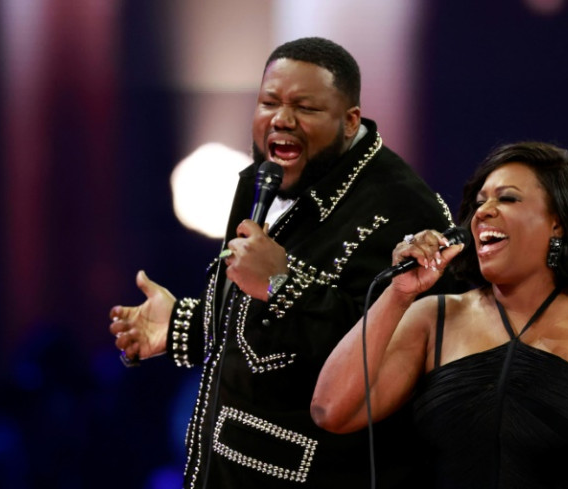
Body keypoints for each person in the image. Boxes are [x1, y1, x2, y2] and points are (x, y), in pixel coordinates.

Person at [109, 37, 466, 489]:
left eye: (305, 107)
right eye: (269, 102)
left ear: (349, 120)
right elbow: (261, 336)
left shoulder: (407, 213)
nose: (281, 118)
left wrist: (282, 282)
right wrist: (185, 324)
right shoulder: (259, 180)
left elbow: (382, 358)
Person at [312, 141, 568, 488]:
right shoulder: (433, 319)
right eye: (479, 201)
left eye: (508, 198)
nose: (483, 211)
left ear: (558, 223)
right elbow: (331, 411)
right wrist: (397, 295)